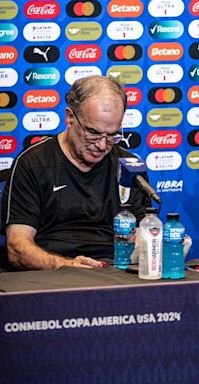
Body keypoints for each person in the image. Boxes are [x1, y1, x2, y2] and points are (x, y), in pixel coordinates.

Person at [3, 75, 148, 270]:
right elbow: (17, 248)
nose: (102, 145)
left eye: (112, 134)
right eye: (93, 133)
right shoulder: (32, 163)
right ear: (70, 117)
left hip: (114, 272)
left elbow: (143, 235)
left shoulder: (129, 166)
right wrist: (67, 266)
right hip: (51, 274)